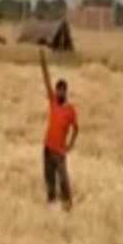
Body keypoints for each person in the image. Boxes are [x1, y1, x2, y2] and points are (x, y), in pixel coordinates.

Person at [39, 48, 79, 211]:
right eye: (57, 90)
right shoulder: (53, 102)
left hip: (59, 151)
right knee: (49, 177)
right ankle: (51, 202)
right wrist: (42, 62)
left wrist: (70, 145)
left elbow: (76, 128)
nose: (58, 92)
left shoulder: (70, 110)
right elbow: (46, 80)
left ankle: (67, 204)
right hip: (48, 147)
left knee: (63, 178)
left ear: (65, 92)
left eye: (61, 90)